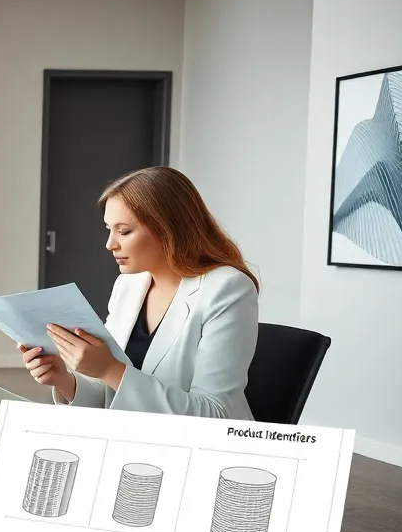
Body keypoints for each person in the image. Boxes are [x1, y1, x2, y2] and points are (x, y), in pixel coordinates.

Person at [19, 166, 259, 419]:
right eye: (109, 229)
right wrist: (64, 380)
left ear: (169, 229)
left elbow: (214, 413)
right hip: (131, 441)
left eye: (124, 231)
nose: (110, 244)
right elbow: (113, 393)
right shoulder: (129, 286)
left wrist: (110, 369)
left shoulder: (227, 289)